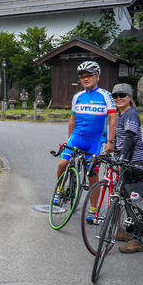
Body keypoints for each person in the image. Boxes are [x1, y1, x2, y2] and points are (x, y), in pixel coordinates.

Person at [55, 61, 117, 214]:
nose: (86, 79)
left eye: (89, 76)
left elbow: (113, 118)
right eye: (83, 77)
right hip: (77, 137)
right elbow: (72, 119)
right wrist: (69, 140)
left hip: (94, 141)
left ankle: (93, 208)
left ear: (98, 77)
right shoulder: (78, 96)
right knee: (62, 163)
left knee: (92, 176)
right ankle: (60, 188)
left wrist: (110, 141)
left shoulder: (105, 95)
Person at [109, 83, 143, 254]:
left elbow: (130, 136)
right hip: (126, 162)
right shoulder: (123, 114)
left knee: (135, 201)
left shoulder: (131, 114)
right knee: (127, 199)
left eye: (122, 95)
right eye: (115, 96)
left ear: (130, 98)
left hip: (136, 163)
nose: (118, 98)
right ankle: (130, 231)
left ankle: (139, 240)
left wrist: (123, 155)